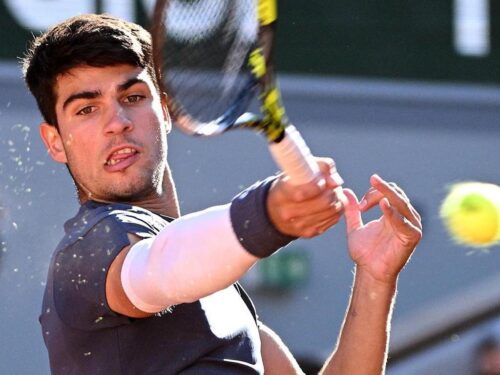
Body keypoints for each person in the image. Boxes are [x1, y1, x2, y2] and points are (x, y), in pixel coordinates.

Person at [23, 14, 422, 375]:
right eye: (86, 110)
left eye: (132, 98)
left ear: (164, 109)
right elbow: (158, 267)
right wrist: (268, 213)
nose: (118, 123)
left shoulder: (226, 300)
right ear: (55, 142)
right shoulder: (87, 251)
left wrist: (375, 278)